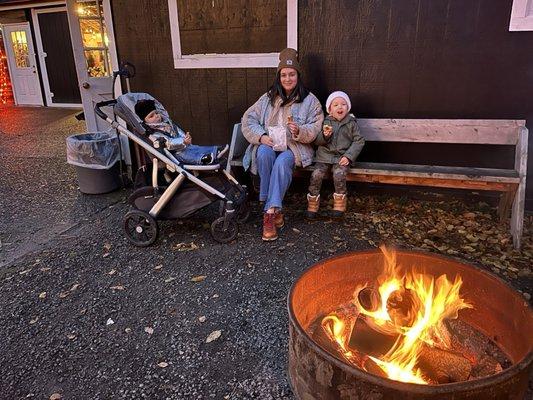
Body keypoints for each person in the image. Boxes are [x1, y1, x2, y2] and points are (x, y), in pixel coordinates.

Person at [242, 48, 324, 241]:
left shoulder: (310, 101)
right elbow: (248, 119)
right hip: (269, 144)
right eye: (284, 75)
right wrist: (261, 137)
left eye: (292, 75)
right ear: (279, 77)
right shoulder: (268, 98)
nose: (288, 79)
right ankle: (274, 207)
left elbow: (316, 127)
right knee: (262, 153)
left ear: (298, 76)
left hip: (293, 147)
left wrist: (299, 132)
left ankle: (269, 212)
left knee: (282, 163)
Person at [306, 91, 365, 218]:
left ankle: (339, 203)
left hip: (341, 158)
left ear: (347, 108)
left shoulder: (351, 123)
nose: (340, 107)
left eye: (343, 104)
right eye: (336, 105)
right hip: (324, 157)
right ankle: (312, 202)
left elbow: (359, 141)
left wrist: (348, 156)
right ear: (329, 109)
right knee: (316, 175)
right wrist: (324, 136)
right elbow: (317, 140)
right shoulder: (325, 122)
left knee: (339, 174)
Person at [135, 99, 219, 165]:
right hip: (173, 152)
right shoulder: (152, 133)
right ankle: (202, 160)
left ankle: (215, 150)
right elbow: (168, 143)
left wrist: (185, 138)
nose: (156, 116)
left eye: (156, 113)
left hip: (183, 145)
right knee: (185, 155)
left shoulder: (167, 123)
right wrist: (183, 141)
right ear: (145, 121)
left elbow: (178, 131)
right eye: (151, 116)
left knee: (195, 148)